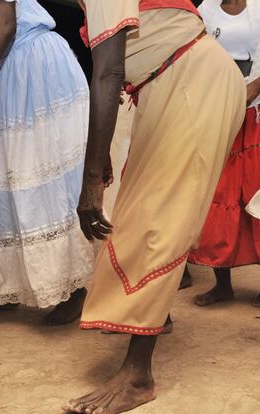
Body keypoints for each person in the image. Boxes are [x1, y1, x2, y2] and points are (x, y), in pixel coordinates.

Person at [63, 0, 246, 412]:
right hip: (168, 84)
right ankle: (154, 314)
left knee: (157, 215)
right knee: (142, 204)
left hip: (194, 83)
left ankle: (138, 377)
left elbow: (108, 72)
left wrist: (91, 179)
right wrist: (101, 153)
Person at [0, 0, 94, 324]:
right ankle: (0, 283)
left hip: (30, 69)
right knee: (6, 177)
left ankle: (71, 287)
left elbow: (4, 24)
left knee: (38, 177)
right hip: (6, 71)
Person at [188, 0, 260, 308]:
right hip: (218, 110)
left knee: (255, 196)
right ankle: (222, 285)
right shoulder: (206, 10)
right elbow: (195, 55)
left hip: (253, 114)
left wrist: (254, 87)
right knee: (218, 196)